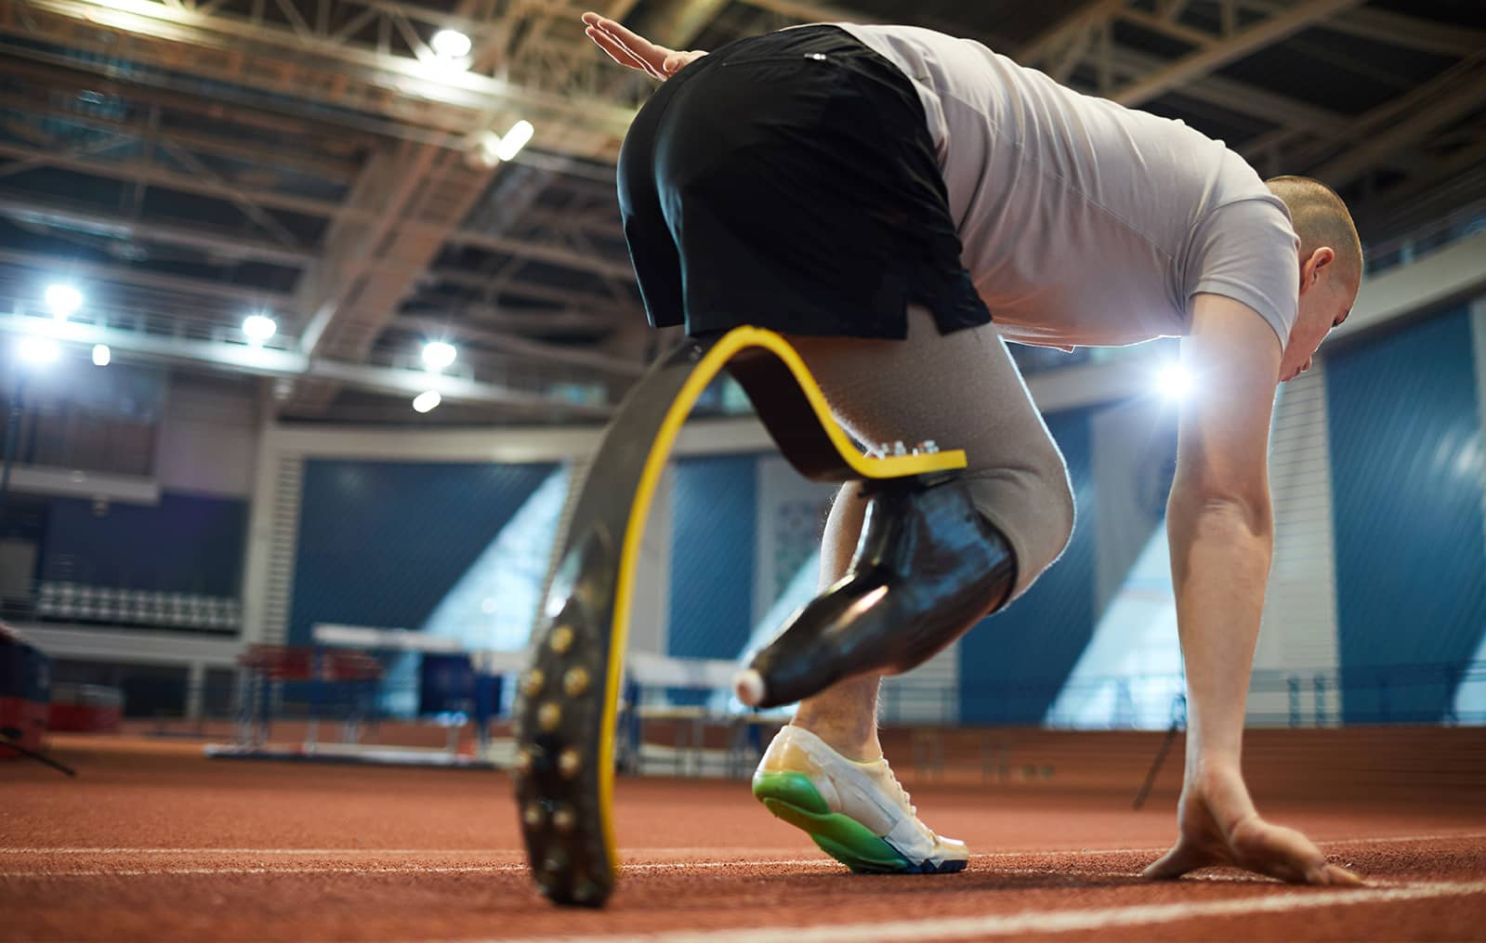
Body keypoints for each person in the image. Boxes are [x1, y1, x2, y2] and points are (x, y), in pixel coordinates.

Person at [583, 12, 1363, 885]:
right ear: (1310, 266)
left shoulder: (1144, 234)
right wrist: (1216, 773)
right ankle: (835, 670)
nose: (1298, 364)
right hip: (836, 117)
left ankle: (837, 733)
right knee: (1030, 491)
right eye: (1322, 330)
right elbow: (1223, 498)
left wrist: (723, 87)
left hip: (690, 130)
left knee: (916, 460)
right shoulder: (1261, 227)